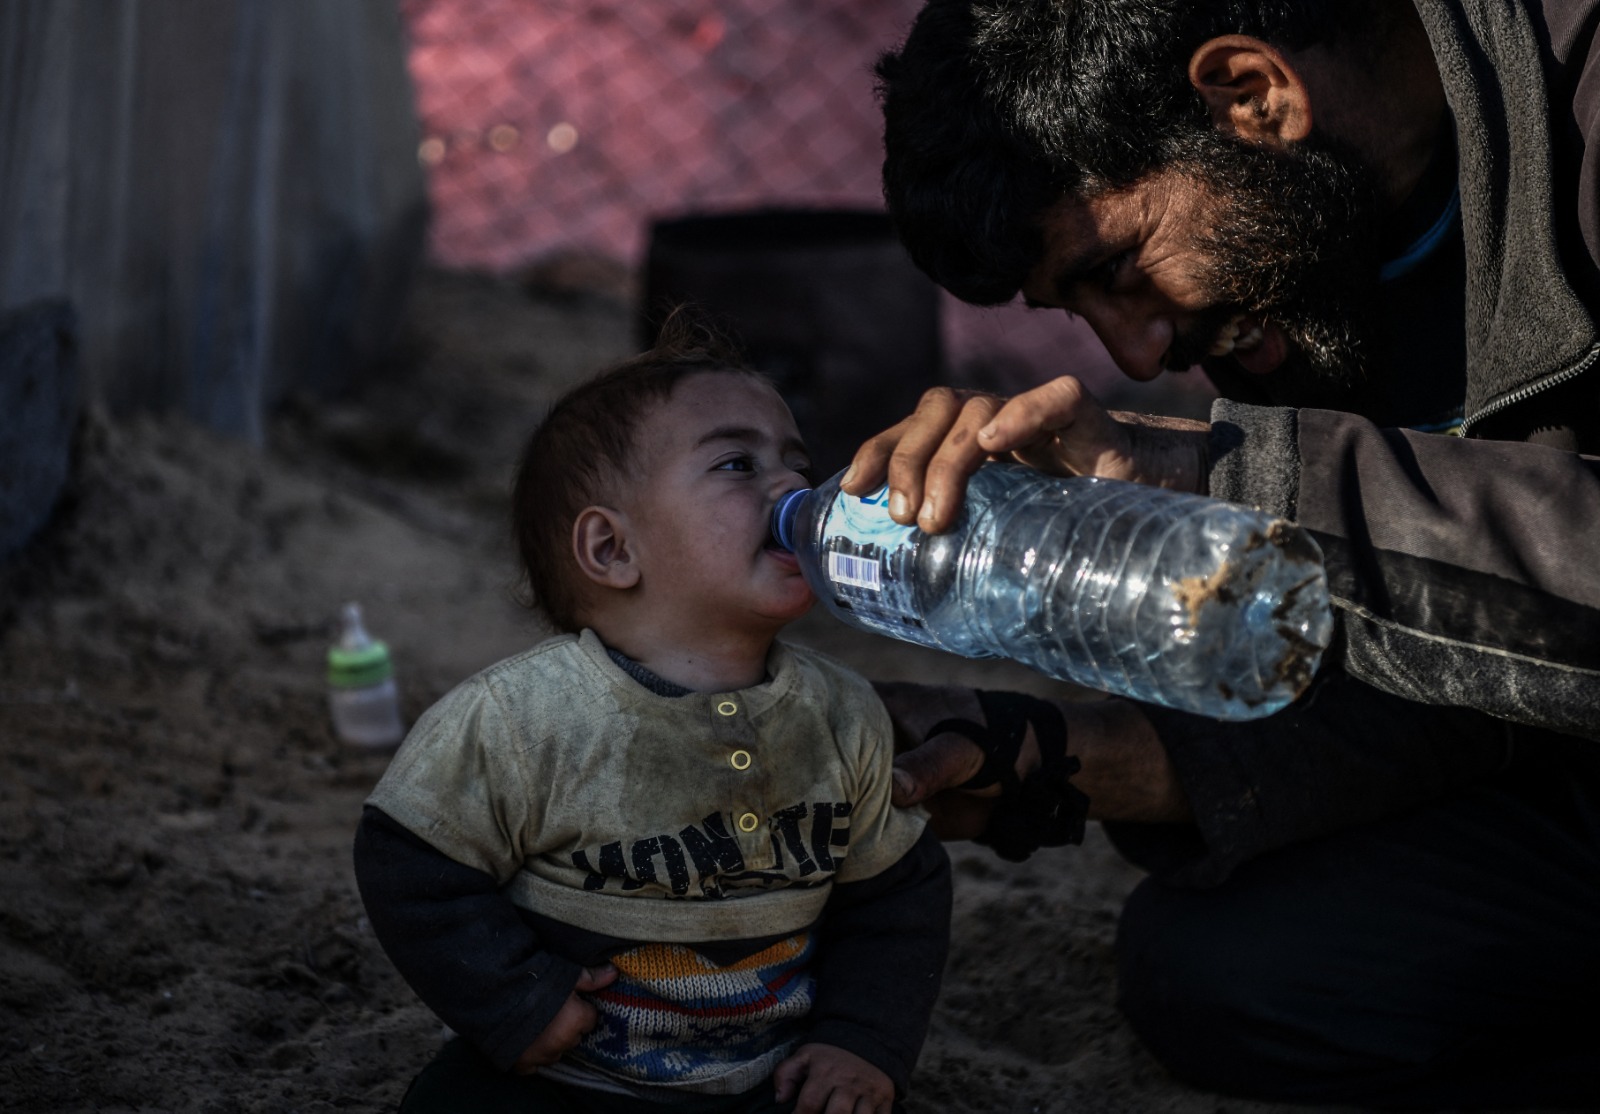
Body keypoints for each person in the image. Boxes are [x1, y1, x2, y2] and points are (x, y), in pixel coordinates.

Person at [854, 0, 1600, 1106]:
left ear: (1253, 92)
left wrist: (1237, 477)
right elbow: (1471, 660)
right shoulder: (1316, 243)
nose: (1138, 349)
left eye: (1118, 266)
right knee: (1239, 969)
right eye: (1080, 311)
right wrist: (1069, 756)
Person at [352, 316, 951, 1114]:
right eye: (738, 464)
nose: (796, 492)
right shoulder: (520, 719)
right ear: (611, 551)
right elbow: (410, 858)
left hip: (770, 1078)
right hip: (571, 1077)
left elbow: (896, 895)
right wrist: (515, 1002)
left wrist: (860, 1040)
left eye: (797, 463)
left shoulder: (843, 714)